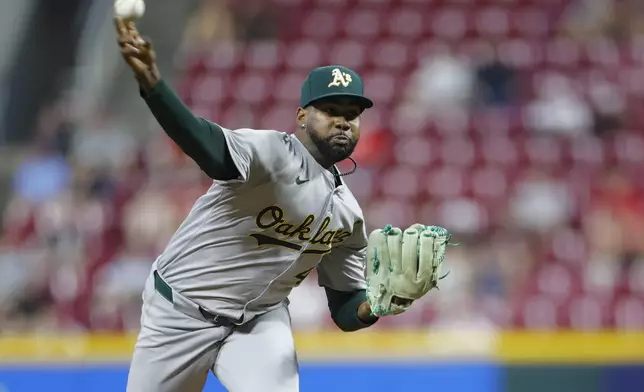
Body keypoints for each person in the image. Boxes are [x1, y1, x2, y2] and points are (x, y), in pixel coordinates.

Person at [115, 17, 451, 392]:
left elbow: (344, 306)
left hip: (258, 321)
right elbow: (203, 142)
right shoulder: (269, 152)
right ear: (302, 117)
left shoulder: (348, 214)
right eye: (330, 110)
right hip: (180, 310)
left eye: (352, 115)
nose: (343, 122)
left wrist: (376, 304)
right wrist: (154, 87)